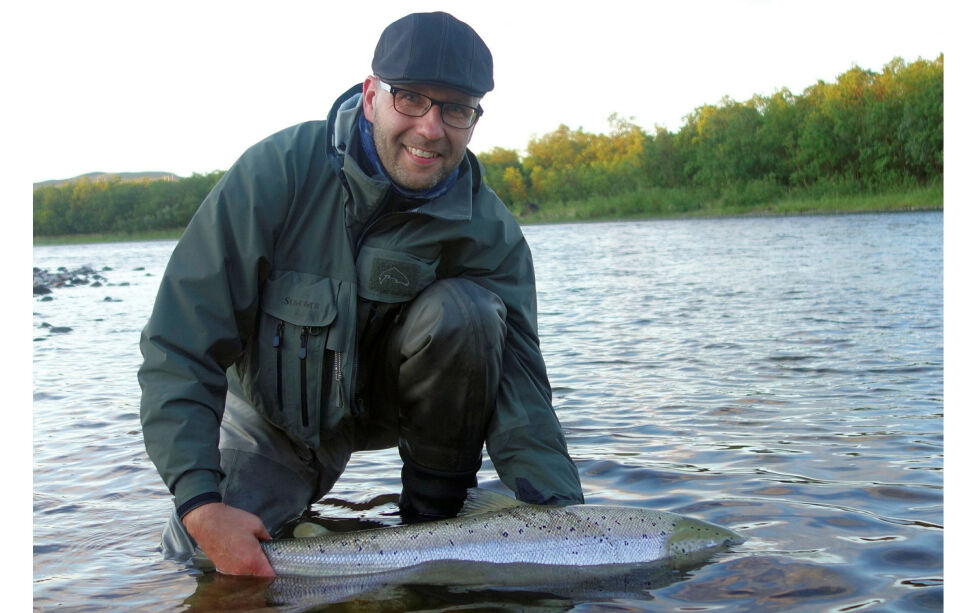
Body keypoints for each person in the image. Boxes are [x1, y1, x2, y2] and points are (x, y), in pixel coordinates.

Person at [138, 11, 583, 577]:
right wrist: (199, 502)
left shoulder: (488, 228)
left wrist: (563, 520)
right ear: (372, 94)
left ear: (474, 119)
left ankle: (428, 527)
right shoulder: (276, 174)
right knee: (198, 559)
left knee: (466, 314)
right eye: (411, 99)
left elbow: (523, 392)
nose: (431, 128)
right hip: (276, 418)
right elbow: (180, 344)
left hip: (401, 414)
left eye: (456, 109)